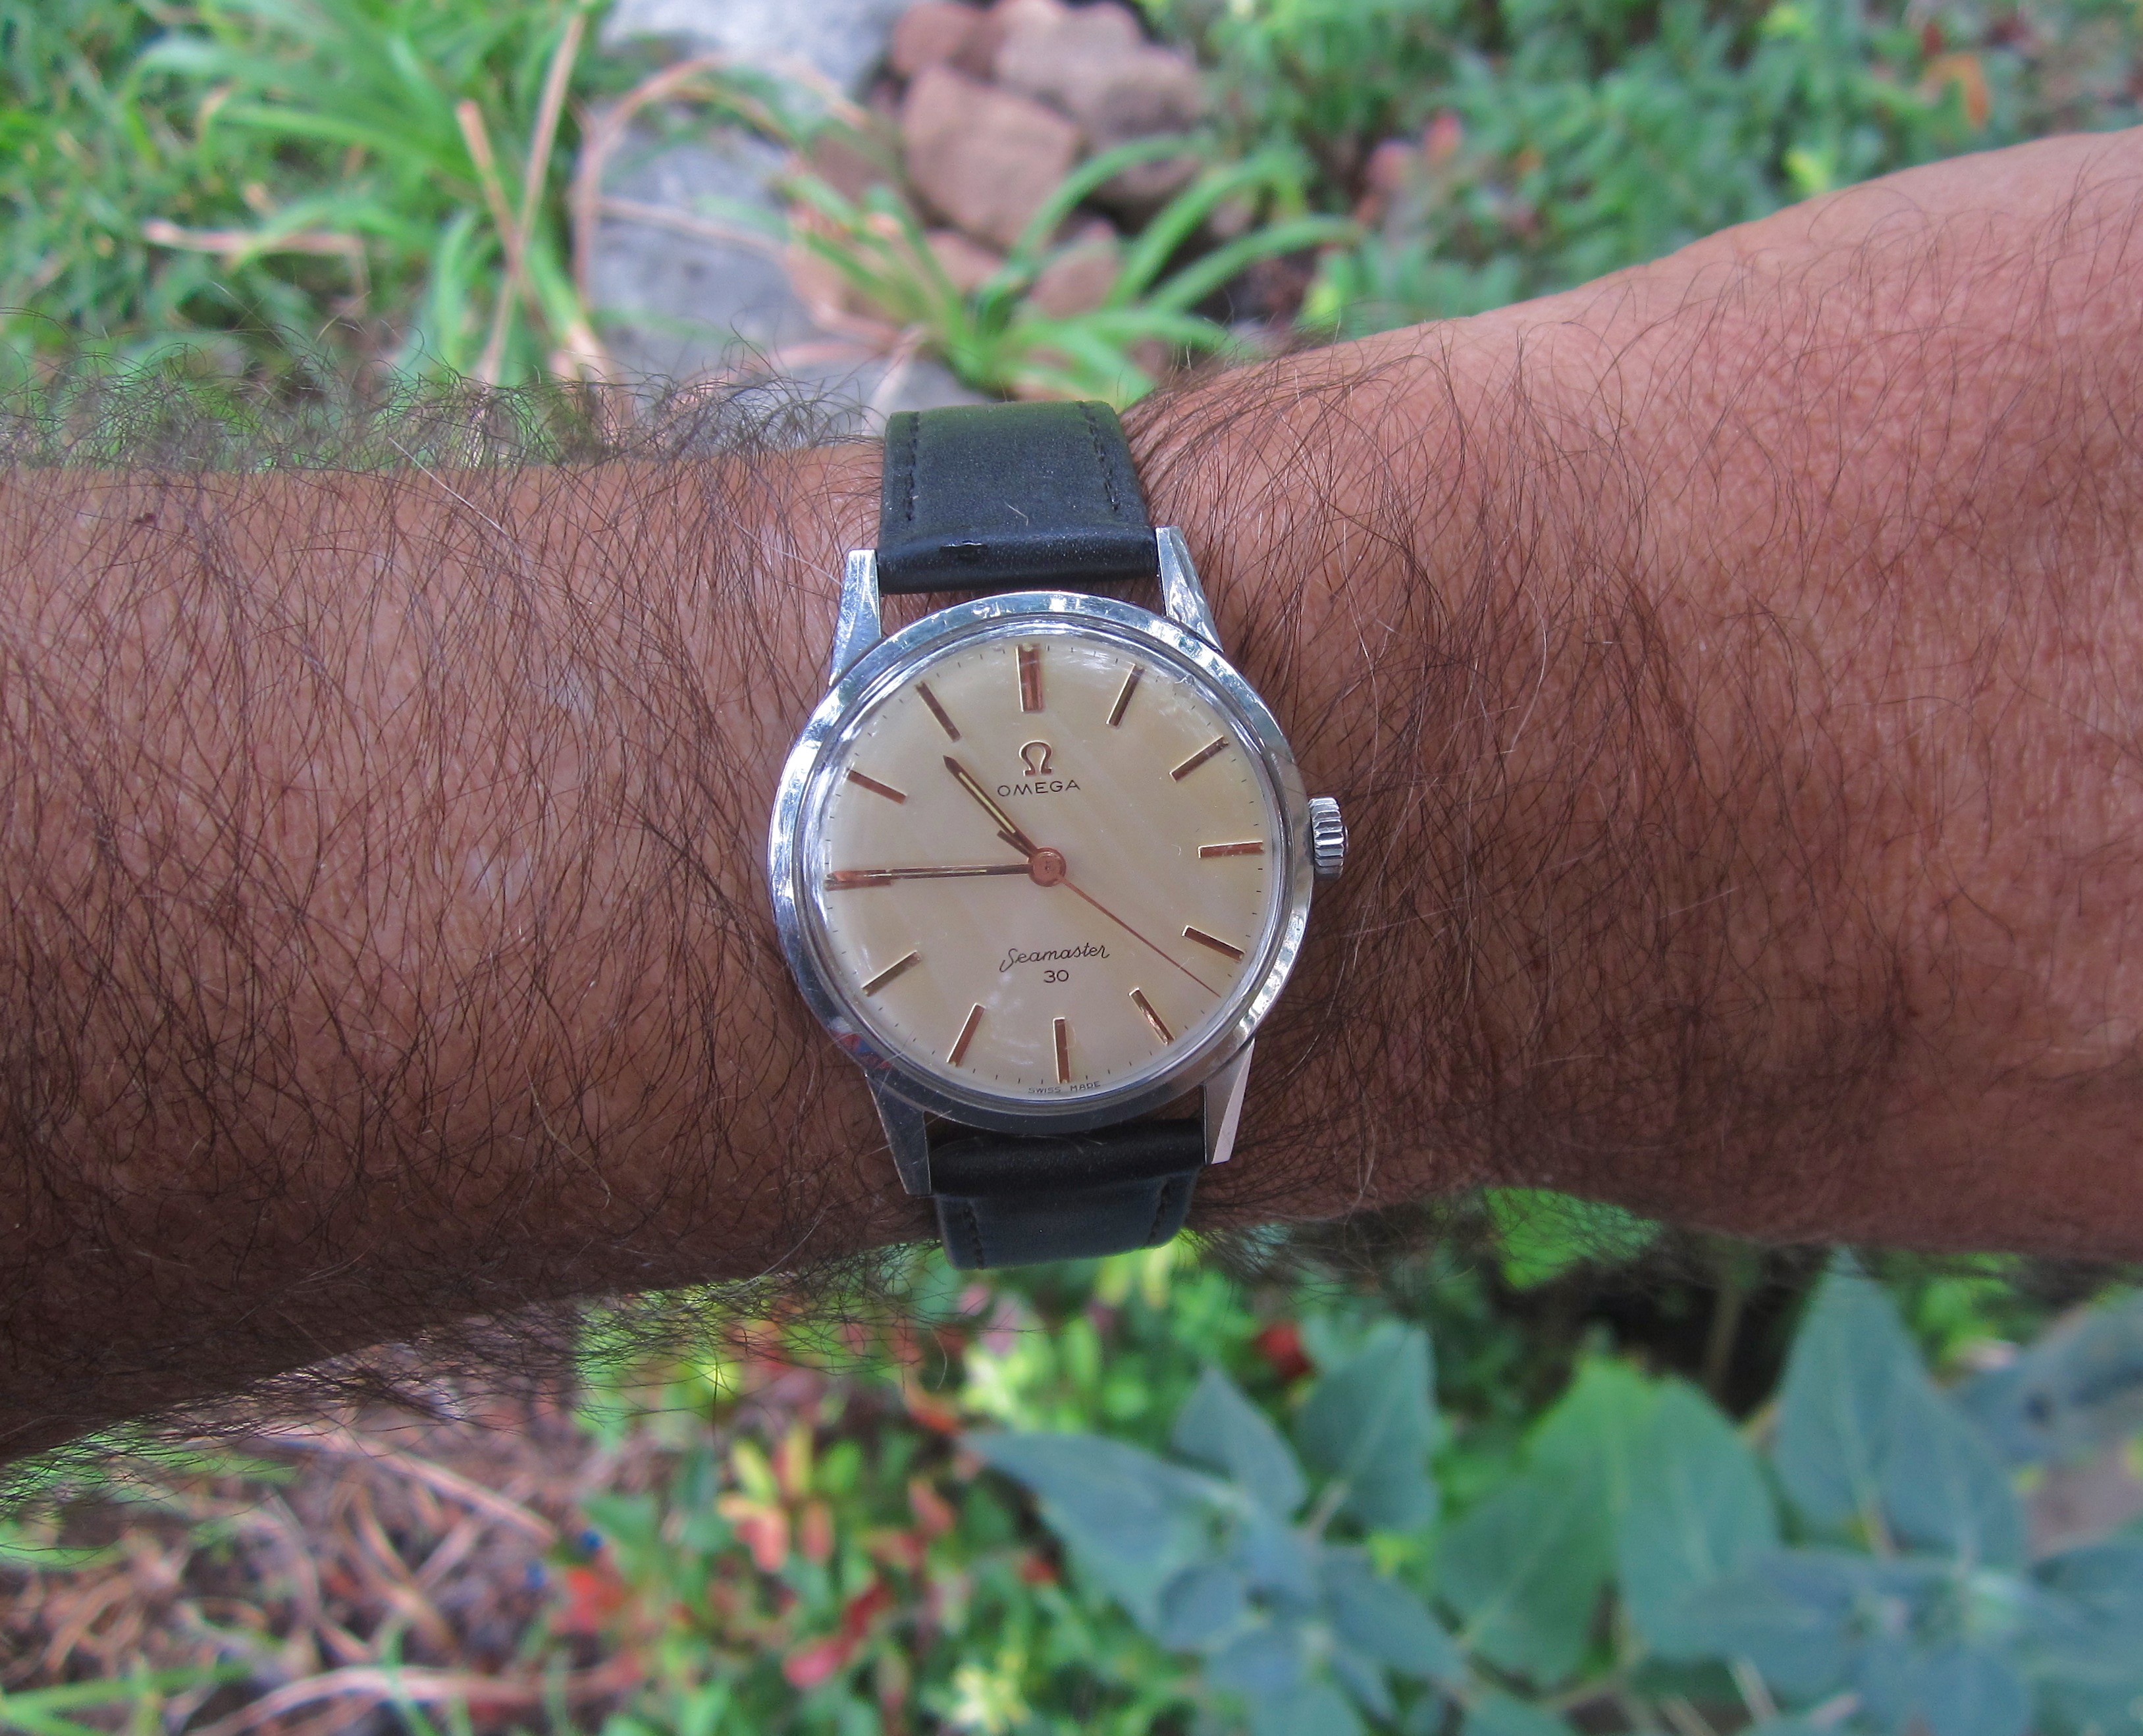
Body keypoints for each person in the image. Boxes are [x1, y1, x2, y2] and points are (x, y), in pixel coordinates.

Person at [4, 130, 2141, 1460]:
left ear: (1309, 841)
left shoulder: (1186, 861)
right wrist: (1618, 701)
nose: (1039, 859)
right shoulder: (900, 832)